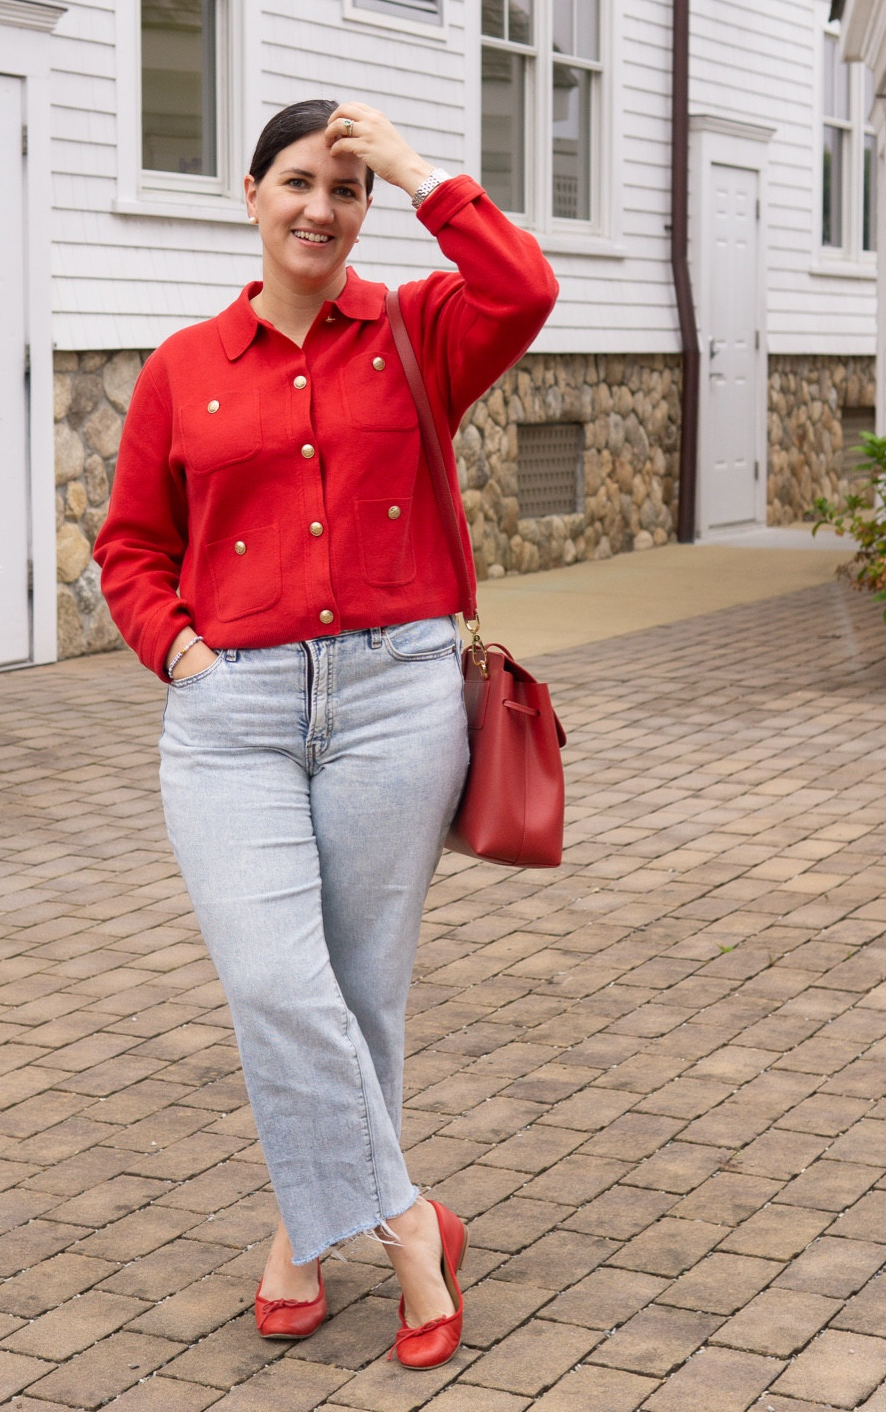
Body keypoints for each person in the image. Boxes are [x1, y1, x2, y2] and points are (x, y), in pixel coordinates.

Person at [95, 98, 557, 1367]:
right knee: (274, 981)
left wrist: (415, 169)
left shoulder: (419, 331)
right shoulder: (182, 367)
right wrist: (176, 647)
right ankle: (408, 1224)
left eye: (345, 190)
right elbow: (130, 544)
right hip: (229, 711)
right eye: (297, 181)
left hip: (395, 702)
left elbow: (523, 285)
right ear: (250, 195)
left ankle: (303, 1233)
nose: (320, 206)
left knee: (358, 991)